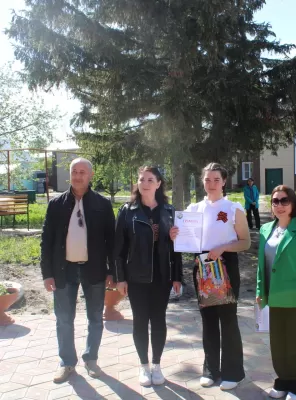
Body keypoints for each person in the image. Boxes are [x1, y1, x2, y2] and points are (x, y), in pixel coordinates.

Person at [170, 163, 251, 391]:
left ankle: (233, 372)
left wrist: (224, 247)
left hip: (225, 267)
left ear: (224, 181)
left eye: (216, 179)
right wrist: (175, 235)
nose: (212, 184)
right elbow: (185, 240)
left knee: (228, 319)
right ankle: (210, 370)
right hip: (203, 267)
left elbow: (245, 242)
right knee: (208, 320)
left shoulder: (234, 208)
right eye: (207, 180)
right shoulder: (194, 209)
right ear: (202, 181)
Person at [40, 158, 115, 383]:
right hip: (63, 270)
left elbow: (112, 241)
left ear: (90, 175)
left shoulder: (102, 204)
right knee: (63, 319)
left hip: (95, 269)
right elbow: (46, 240)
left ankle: (91, 359)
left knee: (95, 317)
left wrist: (112, 271)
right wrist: (47, 273)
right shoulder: (56, 204)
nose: (78, 176)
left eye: (82, 172)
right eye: (74, 171)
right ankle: (67, 362)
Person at [114, 166, 182, 387]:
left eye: (150, 180)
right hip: (136, 277)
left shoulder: (169, 211)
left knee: (159, 320)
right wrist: (120, 278)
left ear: (159, 184)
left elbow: (177, 248)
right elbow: (118, 249)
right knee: (140, 321)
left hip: (162, 277)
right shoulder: (127, 211)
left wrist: (177, 276)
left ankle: (157, 366)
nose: (145, 183)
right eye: (141, 179)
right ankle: (143, 366)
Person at [256, 185, 296, 400]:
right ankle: (283, 380)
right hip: (274, 297)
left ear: (293, 204)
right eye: (275, 201)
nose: (279, 205)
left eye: (284, 201)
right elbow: (261, 265)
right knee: (279, 343)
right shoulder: (265, 229)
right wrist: (260, 290)